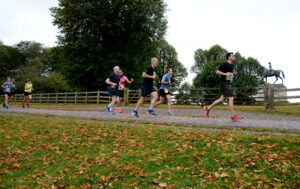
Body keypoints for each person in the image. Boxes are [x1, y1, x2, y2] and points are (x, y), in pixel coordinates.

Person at [203, 52, 243, 122]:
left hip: (227, 83)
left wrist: (234, 73)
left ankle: (207, 108)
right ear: (228, 57)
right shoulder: (224, 64)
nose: (234, 57)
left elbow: (230, 74)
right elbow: (217, 72)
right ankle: (233, 116)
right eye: (232, 56)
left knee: (222, 99)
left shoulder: (232, 66)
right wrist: (225, 74)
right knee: (231, 97)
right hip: (223, 83)